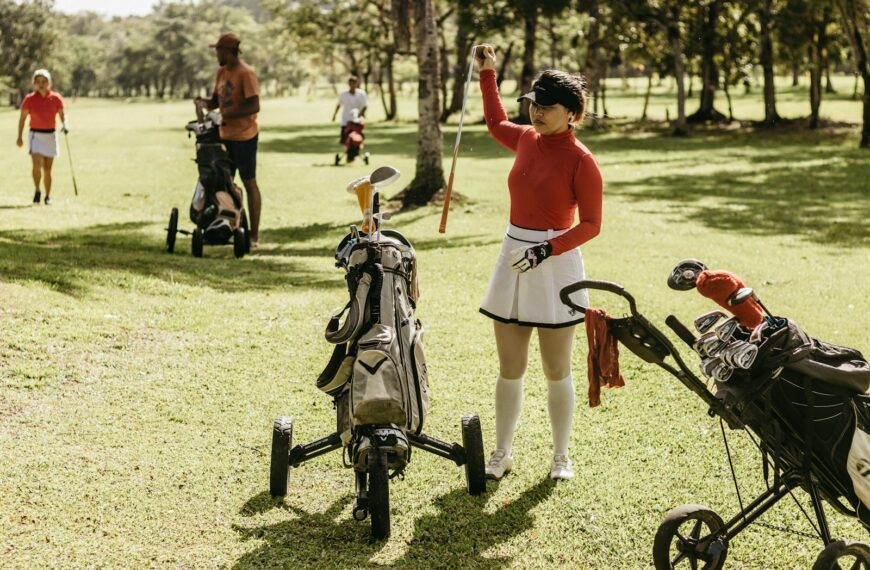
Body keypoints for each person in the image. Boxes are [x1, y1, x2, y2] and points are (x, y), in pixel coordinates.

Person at [474, 45, 603, 481]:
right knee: (510, 368)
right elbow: (494, 122)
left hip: (556, 261)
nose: (537, 113)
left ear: (573, 113)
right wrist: (488, 72)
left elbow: (591, 224)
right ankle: (502, 452)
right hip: (514, 253)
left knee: (555, 368)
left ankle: (560, 456)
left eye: (547, 108)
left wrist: (546, 250)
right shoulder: (526, 138)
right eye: (534, 105)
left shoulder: (582, 160)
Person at [195, 33, 262, 248]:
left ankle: (253, 236)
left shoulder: (246, 73)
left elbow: (254, 106)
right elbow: (217, 100)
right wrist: (204, 103)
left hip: (245, 136)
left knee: (249, 183)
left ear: (229, 51)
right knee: (225, 184)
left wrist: (225, 116)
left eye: (218, 50)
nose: (216, 54)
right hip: (224, 136)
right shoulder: (221, 72)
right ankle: (230, 228)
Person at [16, 69, 67, 206]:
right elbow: (22, 119)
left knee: (48, 169)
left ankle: (48, 196)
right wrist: (19, 137)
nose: (41, 84)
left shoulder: (55, 98)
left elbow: (62, 115)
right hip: (35, 136)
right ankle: (37, 190)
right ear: (34, 84)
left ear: (49, 83)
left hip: (50, 135)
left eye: (44, 82)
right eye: (38, 82)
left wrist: (65, 125)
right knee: (36, 165)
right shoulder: (29, 99)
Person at [331, 76, 367, 148]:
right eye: (351, 83)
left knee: (358, 138)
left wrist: (359, 116)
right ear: (349, 84)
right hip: (346, 120)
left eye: (354, 83)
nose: (352, 85)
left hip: (357, 121)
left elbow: (365, 106)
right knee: (345, 138)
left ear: (356, 83)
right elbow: (339, 105)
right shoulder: (343, 94)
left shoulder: (361, 94)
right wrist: (334, 115)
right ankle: (348, 151)